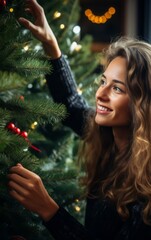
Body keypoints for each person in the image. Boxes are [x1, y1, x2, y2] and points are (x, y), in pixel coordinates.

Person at [7, 0, 151, 239]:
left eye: (117, 89)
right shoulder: (108, 136)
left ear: (142, 104)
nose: (100, 94)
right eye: (103, 81)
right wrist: (50, 43)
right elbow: (72, 104)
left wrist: (48, 209)